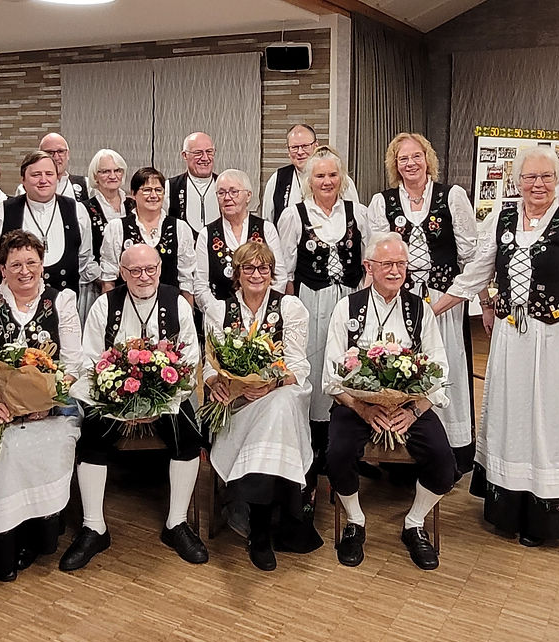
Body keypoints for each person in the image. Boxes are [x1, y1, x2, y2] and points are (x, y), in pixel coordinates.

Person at [433, 145, 559, 546]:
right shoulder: (503, 218)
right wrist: (431, 309)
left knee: (550, 422)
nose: (538, 185)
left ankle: (544, 518)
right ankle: (506, 511)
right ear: (517, 181)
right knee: (510, 417)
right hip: (512, 336)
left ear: (557, 181)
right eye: (530, 177)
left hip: (558, 336)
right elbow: (476, 273)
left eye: (546, 177)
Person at [61, 244, 207, 571]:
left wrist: (161, 399)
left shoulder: (177, 304)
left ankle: (177, 524)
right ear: (123, 273)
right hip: (114, 397)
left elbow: (190, 359)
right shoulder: (104, 305)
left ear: (160, 269)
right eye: (135, 271)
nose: (144, 277)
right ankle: (93, 527)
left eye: (150, 269)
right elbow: (90, 359)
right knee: (92, 436)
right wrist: (119, 399)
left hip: (168, 397)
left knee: (188, 433)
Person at [324, 233, 455, 570]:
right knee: (336, 455)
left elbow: (438, 367)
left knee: (444, 462)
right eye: (387, 264)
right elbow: (331, 376)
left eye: (401, 264)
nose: (395, 271)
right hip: (357, 406)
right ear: (369, 267)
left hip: (408, 407)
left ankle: (414, 524)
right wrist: (364, 408)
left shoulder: (419, 309)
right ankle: (355, 521)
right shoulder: (347, 308)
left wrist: (413, 411)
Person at [0, 230, 82, 581]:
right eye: (15, 264)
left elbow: (73, 365)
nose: (24, 270)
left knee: (50, 443)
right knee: (3, 451)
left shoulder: (62, 301)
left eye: (31, 262)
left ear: (43, 264)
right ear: (2, 269)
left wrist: (47, 401)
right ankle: (2, 544)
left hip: (48, 411)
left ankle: (39, 537)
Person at [366, 133, 478, 472]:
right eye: (403, 158)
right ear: (394, 165)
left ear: (428, 159)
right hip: (400, 303)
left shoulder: (451, 196)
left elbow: (471, 255)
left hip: (444, 299)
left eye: (416, 156)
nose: (410, 163)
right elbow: (375, 259)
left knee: (446, 370)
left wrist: (447, 301)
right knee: (400, 370)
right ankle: (401, 449)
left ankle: (448, 451)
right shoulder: (382, 202)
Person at [203, 241, 317, 571]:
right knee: (275, 412)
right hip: (237, 403)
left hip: (279, 393)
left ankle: (261, 527)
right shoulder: (219, 310)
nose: (257, 274)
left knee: (279, 406)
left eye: (263, 268)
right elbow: (211, 367)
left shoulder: (290, 308)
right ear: (236, 274)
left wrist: (272, 384)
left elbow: (299, 365)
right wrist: (219, 385)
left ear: (272, 273)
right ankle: (266, 525)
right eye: (248, 268)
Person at [277, 145, 369, 515]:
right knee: (313, 371)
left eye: (333, 175)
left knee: (348, 369)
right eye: (320, 175)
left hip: (348, 301)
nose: (327, 181)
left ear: (342, 178)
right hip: (310, 302)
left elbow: (370, 259)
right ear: (308, 180)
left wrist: (363, 297)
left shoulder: (357, 212)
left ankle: (344, 451)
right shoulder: (294, 215)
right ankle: (311, 457)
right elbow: (284, 269)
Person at [0, 150, 98, 294]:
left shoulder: (77, 211)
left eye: (49, 174)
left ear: (57, 178)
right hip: (14, 301)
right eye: (36, 175)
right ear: (23, 180)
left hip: (64, 302)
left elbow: (83, 258)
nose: (43, 180)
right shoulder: (1, 212)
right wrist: (11, 275)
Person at [194, 169, 285, 316]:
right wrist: (218, 313)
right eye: (221, 193)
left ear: (248, 195)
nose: (227, 197)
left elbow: (279, 276)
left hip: (262, 315)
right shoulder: (207, 234)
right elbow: (200, 285)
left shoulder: (266, 229)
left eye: (233, 191)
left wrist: (263, 309)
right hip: (220, 316)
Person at [100, 167, 195, 303]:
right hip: (127, 307)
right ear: (133, 194)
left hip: (169, 307)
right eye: (146, 190)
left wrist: (188, 315)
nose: (153, 195)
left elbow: (186, 281)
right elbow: (108, 280)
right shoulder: (117, 228)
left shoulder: (180, 228)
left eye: (158, 190)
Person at [262, 124, 360, 225]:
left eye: (305, 146)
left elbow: (355, 217)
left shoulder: (337, 178)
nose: (300, 152)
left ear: (316, 145)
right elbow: (267, 223)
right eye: (294, 147)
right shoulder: (278, 179)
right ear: (288, 150)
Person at [79, 149, 135, 319]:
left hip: (134, 284)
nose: (112, 175)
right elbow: (84, 254)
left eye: (117, 170)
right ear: (95, 176)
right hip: (98, 286)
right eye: (105, 171)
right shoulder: (84, 208)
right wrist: (106, 279)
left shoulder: (134, 204)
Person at [164, 132, 219, 236]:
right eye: (198, 153)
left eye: (209, 152)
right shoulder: (170, 187)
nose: (205, 158)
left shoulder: (224, 186)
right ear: (185, 155)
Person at [15, 133, 90, 202]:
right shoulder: (26, 188)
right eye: (50, 153)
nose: (56, 157)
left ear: (68, 154)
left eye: (60, 151)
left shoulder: (86, 184)